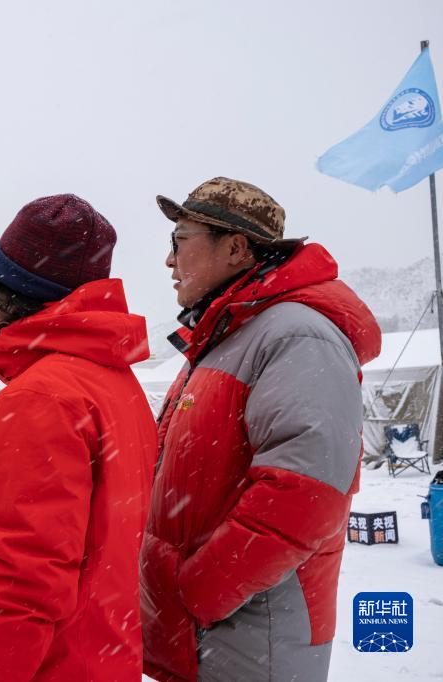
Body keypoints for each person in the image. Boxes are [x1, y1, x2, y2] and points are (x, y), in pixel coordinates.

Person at [140, 177, 382, 681]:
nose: (169, 260)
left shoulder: (295, 334)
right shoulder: (227, 338)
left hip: (253, 641)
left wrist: (200, 591)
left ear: (235, 248)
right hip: (209, 638)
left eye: (179, 240)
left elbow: (306, 492)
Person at [0, 194, 158, 681]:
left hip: (49, 666)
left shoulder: (40, 398)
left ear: (2, 293)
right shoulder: (114, 383)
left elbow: (24, 586)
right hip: (103, 655)